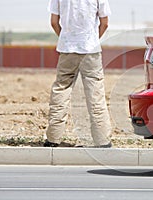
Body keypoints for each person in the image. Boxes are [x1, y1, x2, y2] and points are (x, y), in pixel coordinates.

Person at [44, 0, 112, 148]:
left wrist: (66, 39)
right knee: (95, 93)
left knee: (61, 89)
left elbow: (54, 22)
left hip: (67, 49)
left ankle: (53, 138)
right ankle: (102, 141)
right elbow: (105, 23)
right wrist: (93, 39)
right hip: (91, 50)